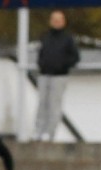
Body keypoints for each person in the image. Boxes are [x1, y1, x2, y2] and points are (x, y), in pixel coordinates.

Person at [35, 11, 79, 142]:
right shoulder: (45, 36)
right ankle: (38, 131)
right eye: (54, 19)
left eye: (59, 19)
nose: (56, 22)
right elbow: (41, 54)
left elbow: (75, 57)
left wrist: (62, 66)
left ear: (63, 21)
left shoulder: (68, 38)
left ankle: (50, 133)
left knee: (55, 105)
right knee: (42, 103)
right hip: (44, 75)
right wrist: (42, 65)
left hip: (60, 76)